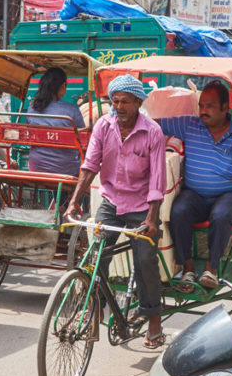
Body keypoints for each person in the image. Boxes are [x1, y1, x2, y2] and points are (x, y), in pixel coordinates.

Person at [64, 75, 167, 348]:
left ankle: (153, 320)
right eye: (115, 101)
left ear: (137, 102)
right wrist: (74, 201)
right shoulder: (103, 126)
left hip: (143, 205)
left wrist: (151, 219)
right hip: (111, 201)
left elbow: (158, 180)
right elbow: (89, 166)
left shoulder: (152, 132)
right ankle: (93, 307)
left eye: (125, 102)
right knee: (96, 254)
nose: (119, 107)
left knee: (145, 259)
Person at [159, 81, 232, 291]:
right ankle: (188, 268)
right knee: (178, 211)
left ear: (224, 108)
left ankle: (211, 269)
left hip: (229, 193)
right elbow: (155, 123)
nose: (203, 111)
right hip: (195, 194)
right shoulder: (189, 124)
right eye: (201, 106)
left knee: (220, 216)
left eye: (209, 106)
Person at [25, 67, 86, 175]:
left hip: (36, 166)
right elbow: (84, 140)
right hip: (65, 170)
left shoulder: (32, 109)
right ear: (62, 86)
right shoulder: (71, 110)